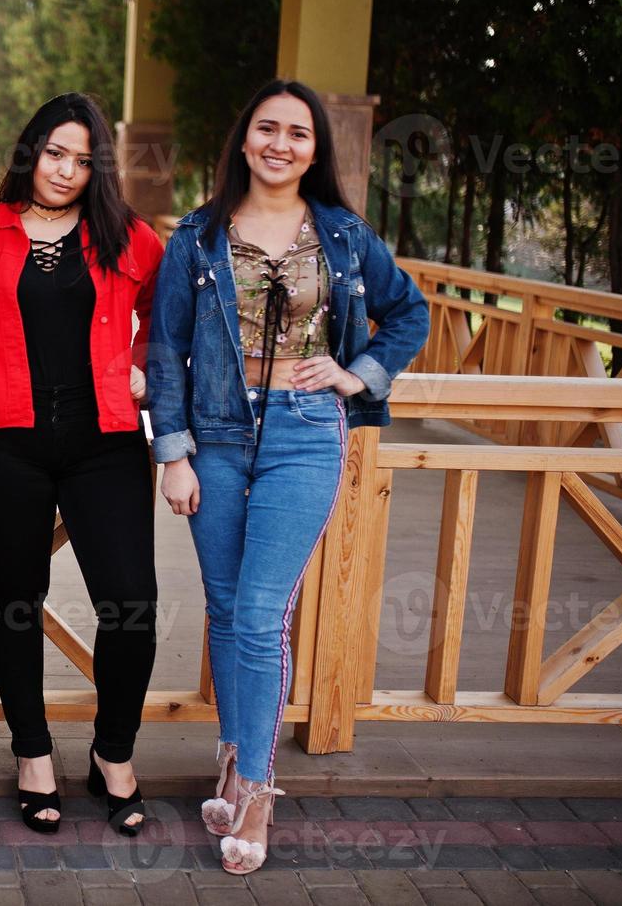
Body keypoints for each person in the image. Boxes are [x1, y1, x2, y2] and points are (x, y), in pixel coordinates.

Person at [146, 79, 430, 875]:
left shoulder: (341, 235)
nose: (279, 143)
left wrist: (355, 372)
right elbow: (164, 349)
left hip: (305, 433)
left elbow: (411, 313)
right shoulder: (196, 237)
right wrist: (171, 452)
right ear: (243, 140)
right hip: (215, 435)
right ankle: (233, 758)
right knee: (228, 608)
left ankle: (260, 791)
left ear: (314, 150)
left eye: (297, 133)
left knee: (264, 611)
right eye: (265, 129)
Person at [0, 93, 165, 837]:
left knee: (130, 604)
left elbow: (170, 318)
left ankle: (112, 753)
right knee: (15, 598)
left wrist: (144, 365)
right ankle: (32, 755)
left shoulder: (128, 236)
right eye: (55, 153)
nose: (67, 170)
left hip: (106, 443)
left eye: (84, 160)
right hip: (7, 440)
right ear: (30, 151)